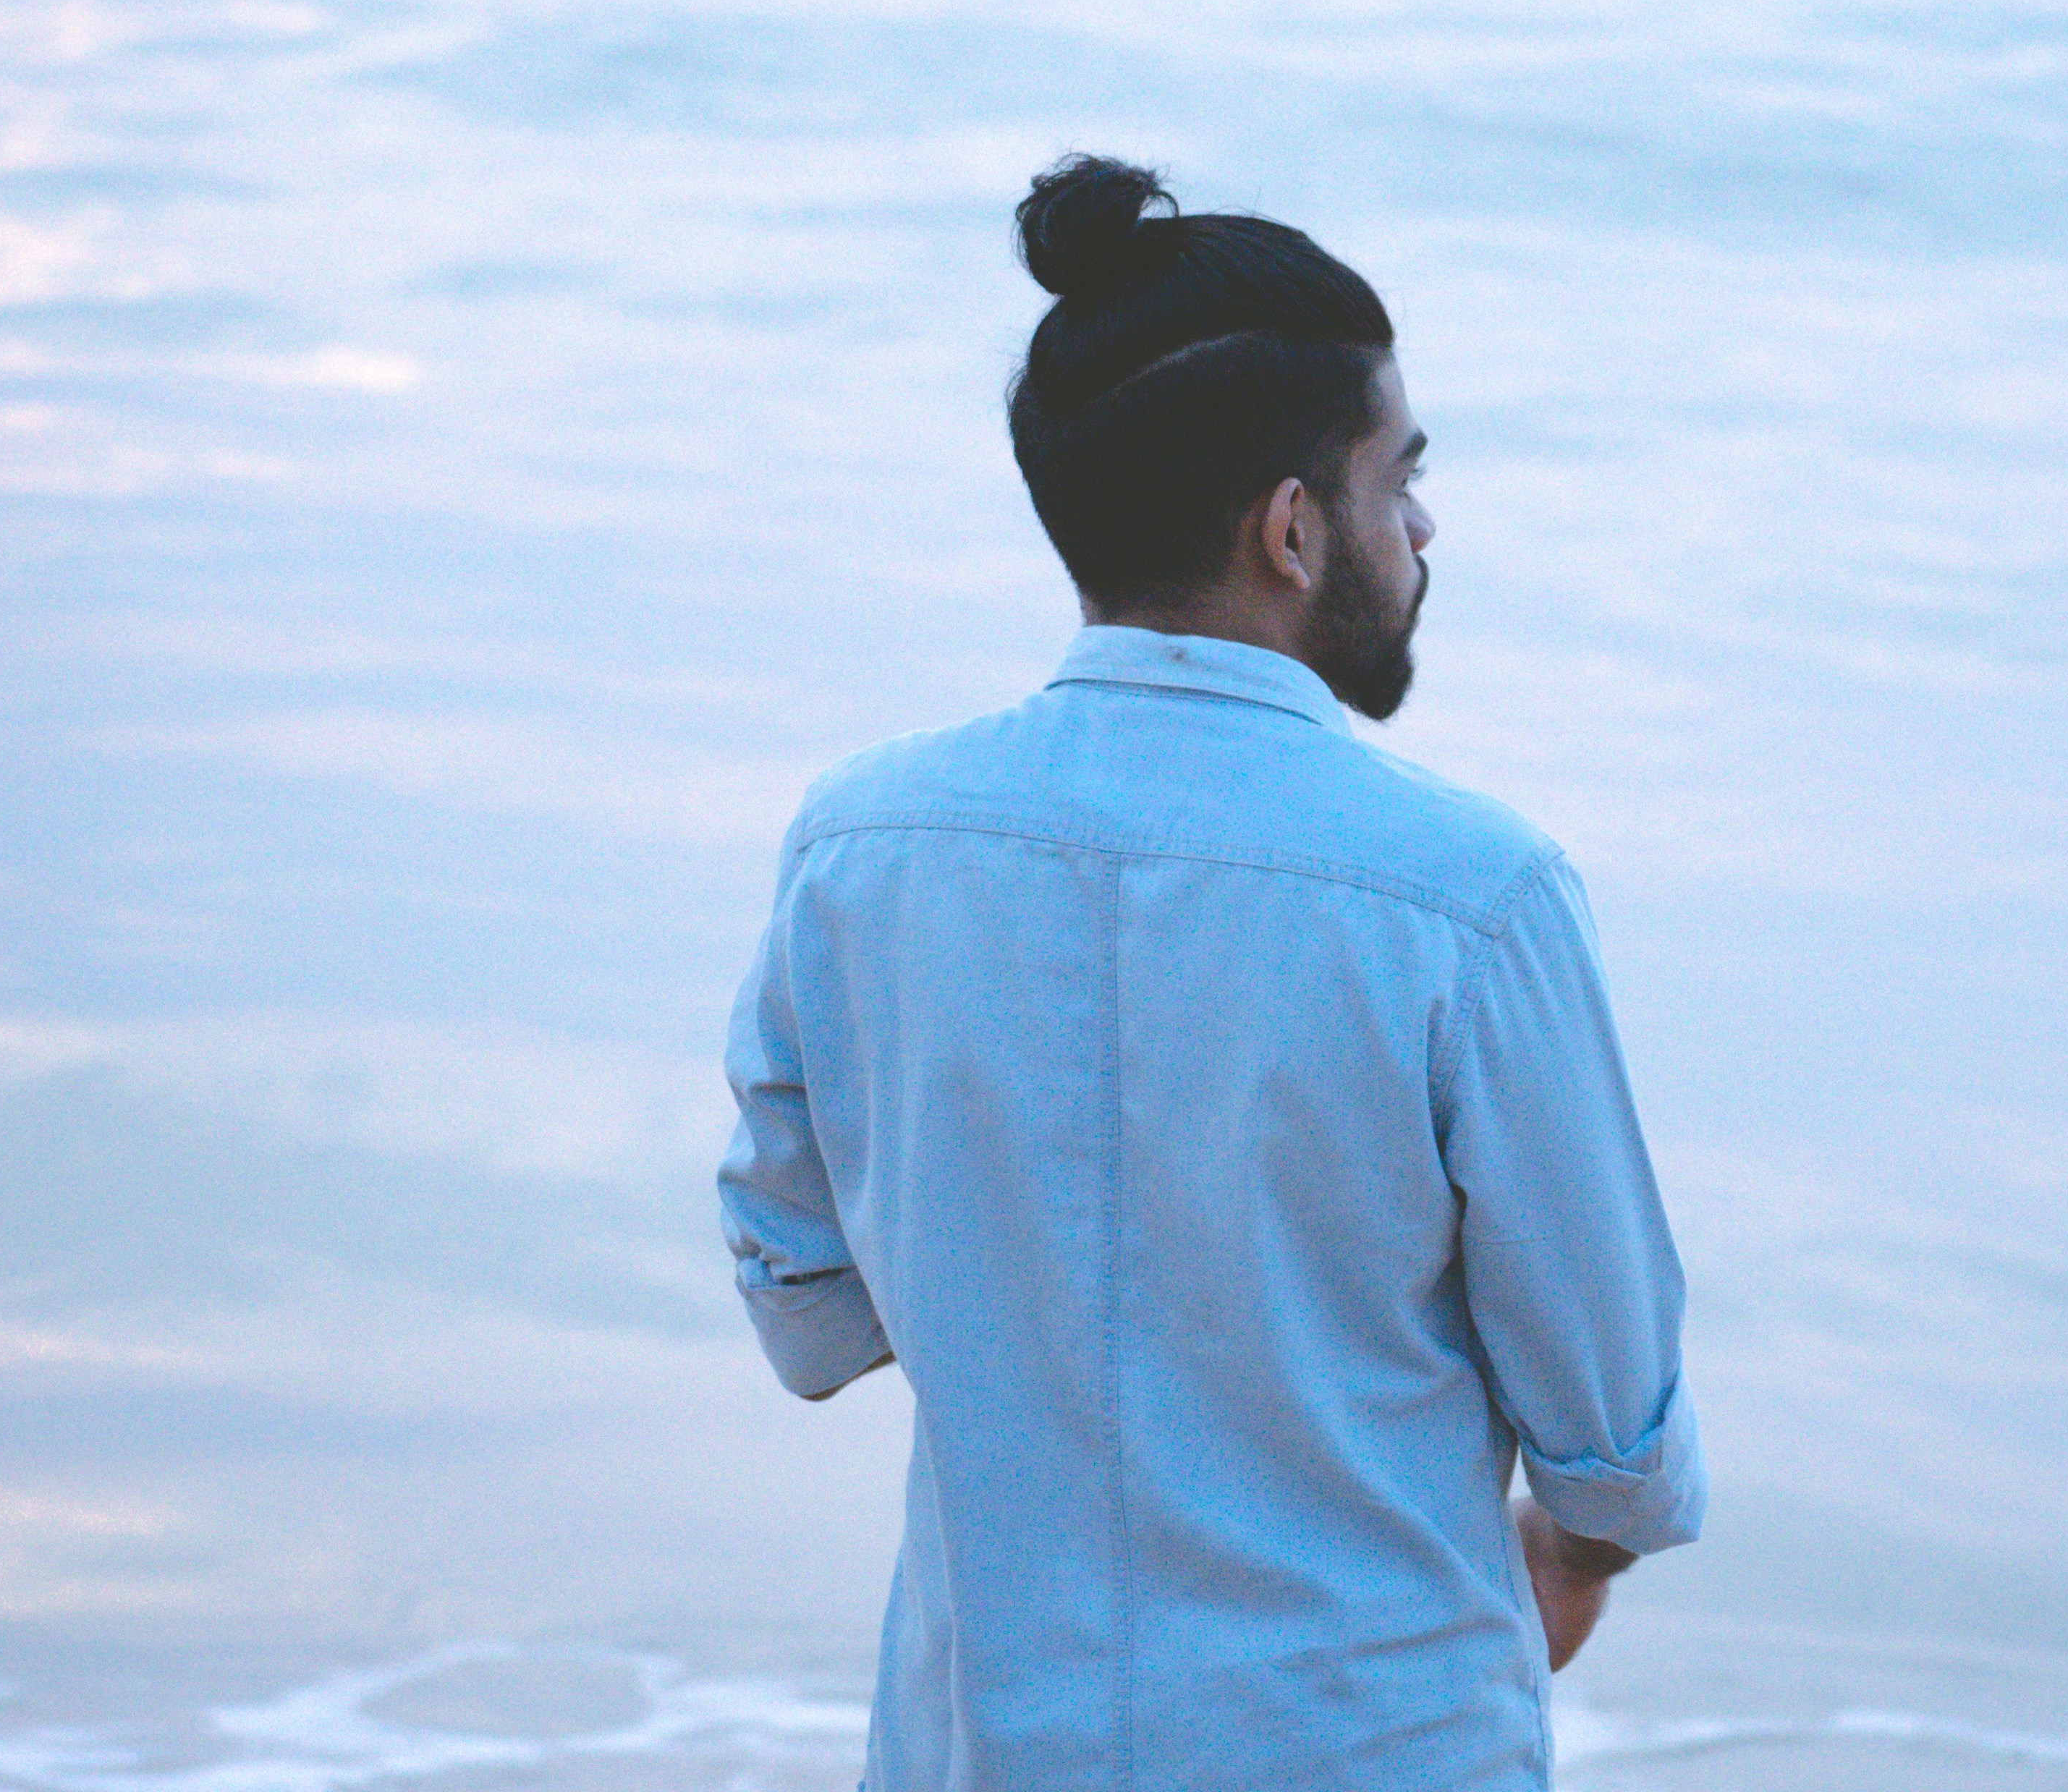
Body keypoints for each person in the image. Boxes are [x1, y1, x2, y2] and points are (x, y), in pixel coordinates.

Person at [719, 156, 1703, 1791]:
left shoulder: (862, 848)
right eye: (1400, 477)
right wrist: (1578, 1552)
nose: (1424, 522)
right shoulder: (1471, 900)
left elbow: (801, 1301)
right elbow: (1609, 1433)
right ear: (1293, 530)